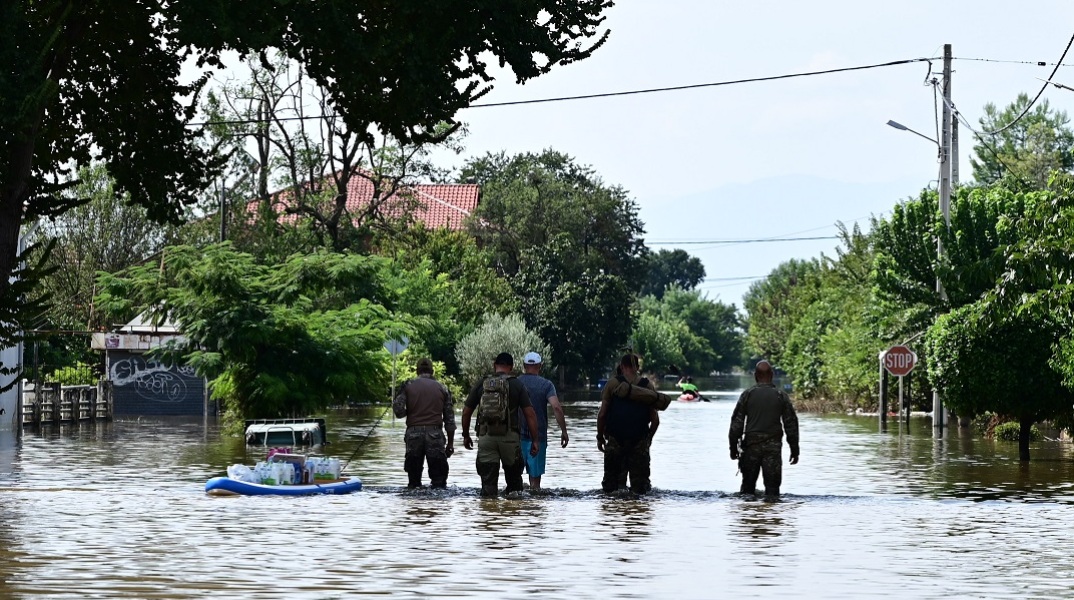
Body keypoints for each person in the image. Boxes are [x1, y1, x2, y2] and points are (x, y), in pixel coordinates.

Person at [461, 352, 541, 497]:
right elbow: (530, 414)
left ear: (494, 365)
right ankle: (511, 515)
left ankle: (490, 515)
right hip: (509, 439)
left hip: (486, 438)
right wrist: (535, 440)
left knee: (488, 486)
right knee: (515, 487)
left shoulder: (482, 383)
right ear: (511, 367)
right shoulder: (517, 384)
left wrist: (466, 436)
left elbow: (466, 412)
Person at [728, 360, 800, 498]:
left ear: (755, 375)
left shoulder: (747, 395)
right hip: (773, 449)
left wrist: (733, 448)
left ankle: (748, 516)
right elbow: (791, 424)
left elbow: (736, 424)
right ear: (772, 375)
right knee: (773, 492)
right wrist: (795, 449)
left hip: (750, 448)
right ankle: (771, 516)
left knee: (747, 492)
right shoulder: (781, 396)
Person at [596, 353, 666, 494]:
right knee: (641, 491)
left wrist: (600, 436)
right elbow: (655, 421)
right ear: (638, 367)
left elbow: (602, 414)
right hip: (639, 442)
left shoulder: (612, 384)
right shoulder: (647, 386)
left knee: (611, 490)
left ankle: (614, 515)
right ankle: (637, 512)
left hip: (615, 441)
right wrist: (648, 439)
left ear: (621, 367)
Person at [392, 357, 456, 488]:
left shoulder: (408, 386)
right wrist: (450, 444)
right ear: (432, 371)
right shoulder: (442, 388)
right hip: (435, 435)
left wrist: (409, 412)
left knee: (414, 482)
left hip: (413, 434)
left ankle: (415, 506)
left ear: (417, 371)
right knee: (439, 483)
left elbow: (398, 410)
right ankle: (435, 507)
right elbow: (449, 419)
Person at [517, 351, 569, 490]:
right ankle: (535, 509)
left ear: (524, 365)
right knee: (535, 485)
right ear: (540, 366)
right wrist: (564, 431)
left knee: (515, 478)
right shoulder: (546, 385)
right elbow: (557, 408)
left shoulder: (516, 383)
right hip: (538, 438)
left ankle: (515, 510)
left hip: (516, 437)